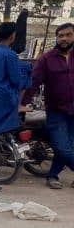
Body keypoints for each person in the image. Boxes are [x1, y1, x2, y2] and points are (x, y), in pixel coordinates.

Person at [22, 23, 74, 189]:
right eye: (61, 36)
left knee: (69, 146)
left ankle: (52, 176)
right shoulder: (47, 59)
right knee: (62, 147)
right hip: (56, 111)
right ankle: (53, 176)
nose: (64, 38)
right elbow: (34, 83)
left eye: (68, 35)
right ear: (57, 38)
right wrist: (23, 103)